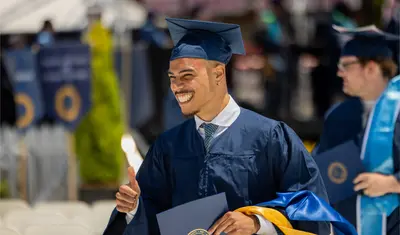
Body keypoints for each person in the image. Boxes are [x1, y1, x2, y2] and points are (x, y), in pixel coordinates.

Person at [103, 18, 356, 235]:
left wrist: (259, 223)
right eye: (173, 78)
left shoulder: (271, 138)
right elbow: (153, 216)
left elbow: (311, 207)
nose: (177, 86)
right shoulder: (168, 146)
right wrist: (134, 208)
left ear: (218, 74)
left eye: (187, 76)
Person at [312, 25, 400, 235]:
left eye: (346, 65)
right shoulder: (339, 114)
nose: (339, 72)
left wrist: (392, 183)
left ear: (371, 68)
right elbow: (320, 165)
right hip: (348, 225)